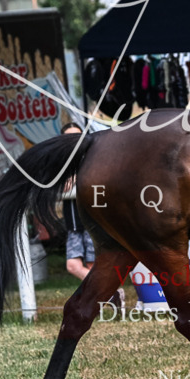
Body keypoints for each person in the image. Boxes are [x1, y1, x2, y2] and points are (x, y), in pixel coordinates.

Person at [61, 122, 124, 309]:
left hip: (92, 222)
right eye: (68, 137)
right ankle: (112, 293)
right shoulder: (62, 163)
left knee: (92, 266)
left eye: (77, 136)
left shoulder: (92, 158)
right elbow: (61, 186)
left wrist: (77, 178)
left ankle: (103, 302)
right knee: (73, 265)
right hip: (73, 225)